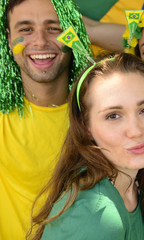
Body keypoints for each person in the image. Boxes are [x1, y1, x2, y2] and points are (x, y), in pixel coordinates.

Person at [28, 53, 144, 239]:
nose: (135, 130)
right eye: (113, 115)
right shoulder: (96, 216)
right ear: (86, 127)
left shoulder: (137, 186)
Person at [0, 0, 90, 239]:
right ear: (9, 39)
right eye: (26, 30)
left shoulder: (101, 113)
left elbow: (139, 38)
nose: (40, 41)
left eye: (54, 28)